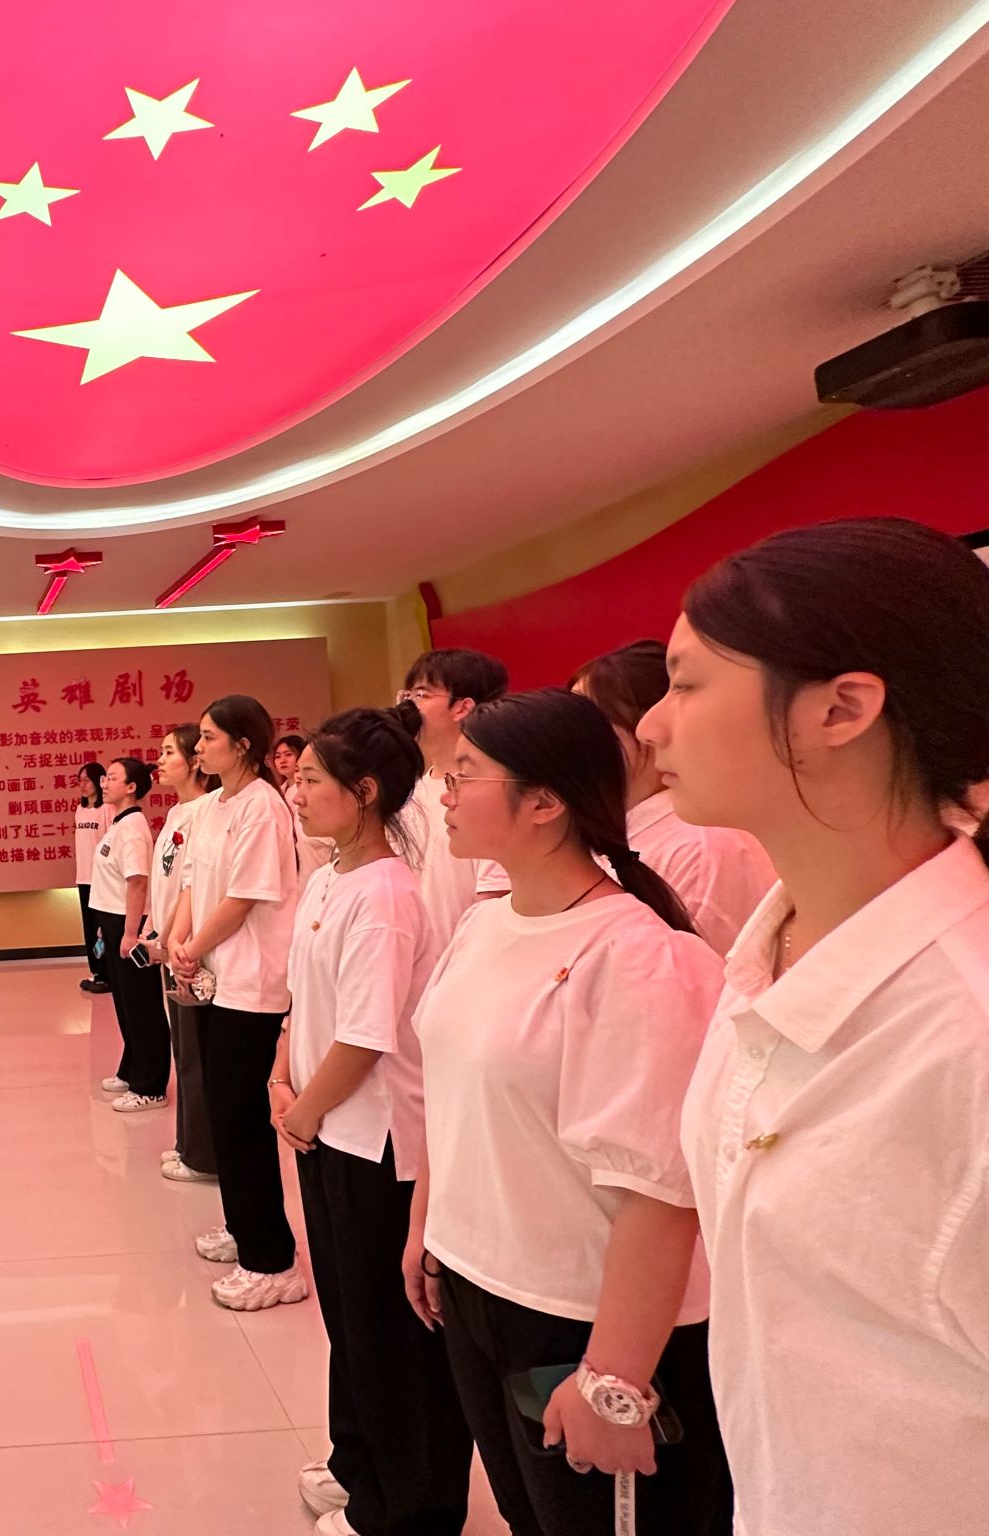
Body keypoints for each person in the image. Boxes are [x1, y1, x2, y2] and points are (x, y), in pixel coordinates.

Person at [634, 517, 989, 1536]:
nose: (650, 726)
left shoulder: (963, 1031)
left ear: (841, 708)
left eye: (685, 683)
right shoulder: (770, 952)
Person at [403, 688, 733, 1535]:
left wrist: (613, 1379)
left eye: (464, 774)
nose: (443, 790)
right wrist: (429, 1226)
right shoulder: (483, 926)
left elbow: (661, 1192)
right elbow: (453, 1091)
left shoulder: (638, 958)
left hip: (582, 1318)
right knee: (529, 1514)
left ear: (545, 802)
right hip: (476, 1284)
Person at [273, 709, 470, 1536]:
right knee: (349, 1315)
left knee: (390, 1330)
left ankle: (410, 1507)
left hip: (375, 1140)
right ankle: (358, 1467)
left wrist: (303, 1110)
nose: (296, 792)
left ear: (364, 793)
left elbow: (365, 1034)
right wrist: (282, 1078)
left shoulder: (386, 895)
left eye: (311, 780)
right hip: (326, 1126)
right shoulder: (329, 876)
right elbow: (305, 1001)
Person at [167, 695, 309, 1312]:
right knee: (224, 1114)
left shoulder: (262, 806)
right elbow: (194, 884)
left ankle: (272, 1261)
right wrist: (178, 939)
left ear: (243, 744)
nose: (199, 748)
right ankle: (243, 1224)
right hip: (216, 975)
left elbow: (245, 896)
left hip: (252, 985)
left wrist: (194, 945)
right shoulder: (213, 806)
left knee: (241, 1117)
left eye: (208, 737)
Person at [571, 641, 776, 956]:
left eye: (587, 725)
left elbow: (710, 972)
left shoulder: (704, 845)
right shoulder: (603, 831)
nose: (568, 741)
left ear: (651, 727)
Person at [395, 649, 514, 946]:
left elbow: (495, 898)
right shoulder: (411, 792)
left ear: (462, 707)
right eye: (407, 695)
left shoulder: (489, 792)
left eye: (421, 695)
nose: (407, 706)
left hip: (466, 957)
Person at [149, 725, 220, 1183]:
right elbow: (168, 883)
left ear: (195, 761)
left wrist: (174, 939)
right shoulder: (177, 812)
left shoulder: (204, 812)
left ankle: (202, 1156)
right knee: (184, 1050)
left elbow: (192, 888)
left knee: (197, 1054)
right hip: (171, 943)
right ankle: (187, 1145)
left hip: (188, 947)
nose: (160, 760)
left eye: (169, 752)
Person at [89, 757, 170, 1112]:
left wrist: (130, 933)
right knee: (125, 1003)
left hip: (130, 924)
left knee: (142, 1006)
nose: (104, 783)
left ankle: (151, 1086)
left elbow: (137, 882)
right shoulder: (119, 823)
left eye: (112, 777)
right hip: (114, 921)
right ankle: (131, 1068)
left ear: (132, 787)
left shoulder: (133, 826)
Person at [73, 761, 112, 996]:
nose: (82, 784)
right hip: (84, 877)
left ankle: (108, 973)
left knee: (102, 927)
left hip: (101, 878)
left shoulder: (106, 809)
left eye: (86, 780)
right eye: (79, 780)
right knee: (89, 927)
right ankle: (96, 971)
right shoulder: (80, 810)